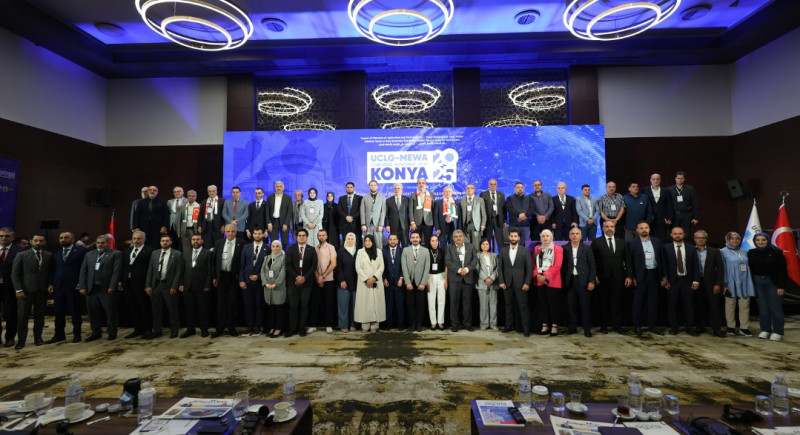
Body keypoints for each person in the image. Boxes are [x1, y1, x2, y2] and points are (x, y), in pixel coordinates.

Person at [11, 233, 53, 349]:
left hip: (42, 291)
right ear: (31, 241)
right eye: (36, 240)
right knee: (23, 317)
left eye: (41, 241)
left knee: (40, 316)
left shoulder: (48, 255)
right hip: (25, 291)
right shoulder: (21, 255)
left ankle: (38, 338)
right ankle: (21, 340)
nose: (38, 243)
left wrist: (50, 284)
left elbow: (50, 272)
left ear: (44, 242)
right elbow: (15, 274)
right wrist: (18, 290)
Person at [591, 221, 633, 335]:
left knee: (617, 302)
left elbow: (628, 260)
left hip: (619, 278)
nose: (609, 228)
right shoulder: (597, 241)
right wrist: (594, 275)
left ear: (614, 228)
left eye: (611, 226)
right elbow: (592, 260)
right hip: (602, 278)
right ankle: (604, 326)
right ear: (603, 228)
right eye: (607, 226)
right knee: (603, 303)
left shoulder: (622, 242)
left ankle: (617, 326)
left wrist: (629, 276)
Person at [78, 235, 122, 342]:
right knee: (93, 313)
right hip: (91, 289)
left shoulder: (116, 254)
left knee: (110, 312)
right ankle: (96, 332)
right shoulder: (89, 254)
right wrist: (83, 286)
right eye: (98, 243)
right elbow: (83, 271)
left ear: (108, 243)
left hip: (106, 289)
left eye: (103, 243)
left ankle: (112, 332)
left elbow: (116, 272)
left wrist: (112, 286)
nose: (100, 245)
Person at [46, 231, 86, 343]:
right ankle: (59, 335)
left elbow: (84, 268)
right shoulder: (55, 252)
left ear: (72, 239)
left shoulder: (81, 251)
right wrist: (50, 283)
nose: (63, 239)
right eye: (61, 238)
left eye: (66, 237)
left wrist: (81, 282)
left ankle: (77, 334)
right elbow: (51, 270)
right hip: (58, 286)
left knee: (75, 311)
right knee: (58, 312)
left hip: (74, 286)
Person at [660, 227, 700, 336]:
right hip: (672, 282)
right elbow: (663, 265)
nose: (678, 235)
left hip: (687, 281)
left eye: (680, 233)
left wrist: (696, 281)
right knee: (672, 305)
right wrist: (665, 279)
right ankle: (673, 327)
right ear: (671, 235)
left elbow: (696, 265)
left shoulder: (691, 248)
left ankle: (689, 327)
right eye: (675, 233)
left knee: (689, 305)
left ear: (684, 234)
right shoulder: (665, 248)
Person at [748, 232, 787, 341]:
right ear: (754, 241)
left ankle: (778, 331)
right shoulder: (751, 253)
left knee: (775, 308)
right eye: (758, 240)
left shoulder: (777, 253)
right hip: (757, 282)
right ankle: (765, 330)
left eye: (763, 240)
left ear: (768, 240)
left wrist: (781, 286)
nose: (760, 242)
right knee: (763, 308)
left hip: (773, 283)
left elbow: (782, 271)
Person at [628, 221, 664, 337]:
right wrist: (632, 276)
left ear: (649, 229)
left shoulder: (657, 241)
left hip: (654, 274)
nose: (644, 230)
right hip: (639, 276)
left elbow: (662, 259)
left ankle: (652, 326)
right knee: (638, 302)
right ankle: (637, 326)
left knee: (653, 302)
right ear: (637, 230)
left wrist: (663, 276)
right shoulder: (632, 243)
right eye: (641, 228)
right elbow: (629, 261)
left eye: (646, 228)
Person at [145, 234, 184, 339]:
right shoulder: (155, 253)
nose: (165, 242)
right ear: (160, 242)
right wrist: (148, 285)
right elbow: (150, 270)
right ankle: (157, 330)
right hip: (156, 285)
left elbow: (179, 272)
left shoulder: (177, 254)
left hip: (169, 285)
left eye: (167, 241)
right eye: (163, 241)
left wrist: (174, 286)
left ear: (171, 242)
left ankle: (174, 331)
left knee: (172, 309)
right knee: (156, 310)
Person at [118, 231, 153, 339]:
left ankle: (147, 330)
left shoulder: (150, 251)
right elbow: (123, 267)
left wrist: (149, 284)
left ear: (144, 239)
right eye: (134, 238)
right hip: (128, 284)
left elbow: (151, 269)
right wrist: (120, 281)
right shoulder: (127, 251)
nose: (136, 241)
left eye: (139, 238)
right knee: (133, 308)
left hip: (142, 284)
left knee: (144, 308)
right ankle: (137, 329)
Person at [498, 228, 532, 336]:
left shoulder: (525, 250)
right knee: (508, 305)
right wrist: (501, 281)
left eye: (515, 236)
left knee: (523, 306)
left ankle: (526, 328)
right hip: (507, 283)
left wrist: (527, 282)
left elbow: (529, 268)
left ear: (519, 238)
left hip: (521, 283)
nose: (513, 238)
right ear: (509, 237)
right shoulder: (503, 250)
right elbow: (500, 268)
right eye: (511, 236)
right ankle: (508, 325)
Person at [720, 232, 755, 337]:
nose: (734, 240)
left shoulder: (744, 251)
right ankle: (730, 327)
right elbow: (722, 268)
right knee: (730, 306)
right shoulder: (722, 251)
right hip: (730, 282)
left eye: (737, 238)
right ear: (727, 240)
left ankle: (744, 328)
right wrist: (724, 284)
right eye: (732, 238)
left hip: (745, 281)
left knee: (745, 305)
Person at [563, 228, 596, 337]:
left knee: (585, 306)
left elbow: (592, 266)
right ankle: (572, 327)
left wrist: (592, 281)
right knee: (571, 306)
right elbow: (563, 267)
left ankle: (587, 329)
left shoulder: (586, 248)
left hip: (583, 281)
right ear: (569, 236)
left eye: (577, 234)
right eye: (572, 234)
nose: (575, 235)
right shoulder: (564, 248)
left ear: (581, 236)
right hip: (570, 281)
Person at [285, 229, 318, 337]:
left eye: (303, 235)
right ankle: (292, 328)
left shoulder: (311, 249)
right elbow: (288, 265)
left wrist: (304, 278)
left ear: (307, 237)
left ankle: (301, 328)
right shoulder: (291, 248)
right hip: (293, 282)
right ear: (296, 237)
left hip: (306, 282)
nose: (301, 237)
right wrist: (297, 277)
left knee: (304, 305)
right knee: (293, 305)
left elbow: (314, 266)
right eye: (299, 235)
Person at [212, 224, 244, 338]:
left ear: (236, 232)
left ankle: (231, 327)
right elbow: (214, 261)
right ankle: (219, 328)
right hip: (221, 277)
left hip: (233, 277)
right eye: (228, 231)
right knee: (220, 303)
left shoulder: (242, 243)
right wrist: (214, 277)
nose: (230, 233)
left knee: (232, 304)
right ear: (225, 232)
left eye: (232, 231)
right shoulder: (219, 243)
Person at [693, 230, 726, 338]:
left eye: (703, 238)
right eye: (698, 238)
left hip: (711, 283)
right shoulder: (690, 250)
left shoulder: (714, 251)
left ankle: (716, 329)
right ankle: (700, 327)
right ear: (695, 239)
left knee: (714, 306)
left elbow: (720, 269)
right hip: (696, 282)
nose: (700, 240)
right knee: (699, 306)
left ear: (706, 239)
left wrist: (718, 284)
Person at [180, 234, 213, 338]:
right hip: (188, 285)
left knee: (203, 309)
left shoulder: (207, 253)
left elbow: (210, 270)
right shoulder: (186, 253)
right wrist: (181, 283)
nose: (195, 241)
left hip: (202, 286)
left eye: (198, 239)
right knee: (189, 310)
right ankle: (190, 329)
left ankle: (204, 329)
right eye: (193, 239)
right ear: (191, 241)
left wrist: (207, 284)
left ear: (202, 241)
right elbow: (182, 270)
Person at [533, 229, 563, 336]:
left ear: (551, 237)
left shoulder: (558, 249)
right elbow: (534, 264)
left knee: (553, 304)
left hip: (553, 281)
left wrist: (545, 276)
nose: (545, 238)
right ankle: (544, 325)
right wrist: (538, 275)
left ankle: (554, 326)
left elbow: (557, 266)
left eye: (547, 236)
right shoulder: (537, 248)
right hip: (539, 280)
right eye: (543, 236)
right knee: (542, 304)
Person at [445, 230, 477, 332]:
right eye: (456, 236)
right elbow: (448, 261)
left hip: (468, 278)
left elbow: (474, 260)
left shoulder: (471, 247)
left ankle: (467, 324)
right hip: (454, 279)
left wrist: (466, 269)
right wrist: (459, 270)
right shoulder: (449, 247)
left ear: (463, 237)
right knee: (454, 303)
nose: (458, 238)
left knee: (467, 303)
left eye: (460, 236)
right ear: (453, 238)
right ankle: (454, 324)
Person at [354, 234, 386, 332]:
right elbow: (358, 267)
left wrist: (374, 278)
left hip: (376, 281)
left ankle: (375, 326)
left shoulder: (379, 252)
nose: (367, 243)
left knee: (376, 303)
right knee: (365, 304)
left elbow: (381, 266)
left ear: (373, 242)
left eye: (369, 241)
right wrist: (367, 280)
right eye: (366, 241)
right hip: (364, 283)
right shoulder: (360, 252)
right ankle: (365, 325)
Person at [239, 227, 267, 336]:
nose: (257, 235)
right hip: (247, 281)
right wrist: (241, 280)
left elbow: (268, 268)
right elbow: (242, 265)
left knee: (259, 305)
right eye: (255, 233)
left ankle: (257, 327)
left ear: (263, 234)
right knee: (248, 305)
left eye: (259, 233)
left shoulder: (267, 248)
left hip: (260, 282)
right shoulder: (246, 247)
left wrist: (259, 276)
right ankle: (249, 327)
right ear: (252, 234)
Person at [401, 231, 429, 332]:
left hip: (420, 282)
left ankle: (419, 324)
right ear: (410, 239)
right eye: (413, 237)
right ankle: (413, 324)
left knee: (420, 305)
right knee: (410, 305)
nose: (415, 239)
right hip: (410, 282)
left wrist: (423, 282)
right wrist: (407, 282)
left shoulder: (425, 251)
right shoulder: (405, 250)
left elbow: (427, 268)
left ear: (420, 239)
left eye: (417, 237)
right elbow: (404, 267)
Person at [0, 227, 23, 347]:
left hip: (10, 287)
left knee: (11, 314)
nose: (4, 238)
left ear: (13, 237)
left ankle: (10, 337)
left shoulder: (20, 251)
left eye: (7, 236)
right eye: (1, 236)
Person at [261, 240, 287, 338]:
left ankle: (278, 328)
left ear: (280, 248)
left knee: (279, 309)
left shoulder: (283, 258)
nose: (275, 248)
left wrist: (276, 284)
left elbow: (283, 271)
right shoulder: (266, 258)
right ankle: (272, 327)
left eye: (277, 246)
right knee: (271, 310)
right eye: (273, 246)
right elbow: (262, 271)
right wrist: (265, 283)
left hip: (278, 288)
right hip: (268, 288)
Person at [313, 229, 337, 334]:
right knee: (315, 303)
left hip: (328, 280)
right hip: (317, 280)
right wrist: (318, 277)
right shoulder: (314, 248)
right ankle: (313, 325)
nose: (321, 237)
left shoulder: (331, 247)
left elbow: (333, 263)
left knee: (328, 303)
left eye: (323, 235)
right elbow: (313, 265)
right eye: (319, 235)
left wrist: (323, 276)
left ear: (326, 236)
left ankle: (328, 325)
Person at [666, 171, 700, 238]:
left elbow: (695, 203)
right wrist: (667, 217)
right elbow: (666, 204)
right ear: (675, 179)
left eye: (681, 178)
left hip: (686, 215)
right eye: (678, 178)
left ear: (685, 179)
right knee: (674, 234)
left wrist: (696, 217)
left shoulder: (690, 189)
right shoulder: (669, 189)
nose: (680, 180)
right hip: (674, 216)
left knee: (686, 235)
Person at [336, 233, 359, 333]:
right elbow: (339, 267)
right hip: (343, 282)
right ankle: (343, 325)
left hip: (355, 283)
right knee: (343, 305)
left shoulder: (358, 251)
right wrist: (342, 280)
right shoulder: (341, 251)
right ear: (345, 240)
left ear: (355, 240)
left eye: (352, 239)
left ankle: (353, 325)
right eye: (348, 238)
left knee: (354, 306)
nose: (350, 240)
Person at [382, 233, 404, 330]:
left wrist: (401, 278)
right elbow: (381, 267)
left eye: (394, 239)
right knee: (389, 305)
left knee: (400, 306)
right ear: (388, 241)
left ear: (398, 241)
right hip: (388, 283)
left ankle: (401, 325)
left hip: (399, 282)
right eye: (390, 239)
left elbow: (404, 266)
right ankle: (388, 325)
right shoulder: (383, 251)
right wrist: (384, 278)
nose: (392, 241)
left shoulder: (402, 251)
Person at [641, 174, 673, 242]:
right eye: (654, 179)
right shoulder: (644, 190)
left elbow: (669, 205)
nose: (655, 181)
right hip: (648, 218)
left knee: (662, 237)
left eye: (657, 179)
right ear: (650, 180)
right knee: (649, 237)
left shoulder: (666, 191)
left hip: (662, 218)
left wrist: (669, 218)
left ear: (660, 180)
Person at [475, 238, 499, 331]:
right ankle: (484, 324)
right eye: (483, 244)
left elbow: (497, 268)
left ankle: (493, 324)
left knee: (493, 305)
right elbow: (477, 269)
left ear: (489, 245)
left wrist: (492, 278)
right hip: (482, 283)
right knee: (483, 305)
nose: (485, 246)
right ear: (480, 246)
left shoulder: (494, 255)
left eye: (487, 244)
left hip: (493, 283)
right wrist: (485, 278)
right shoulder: (477, 256)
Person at [426, 234, 447, 330]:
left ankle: (440, 322)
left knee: (441, 300)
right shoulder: (426, 252)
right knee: (431, 300)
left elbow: (446, 266)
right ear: (430, 242)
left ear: (438, 242)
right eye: (432, 241)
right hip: (430, 276)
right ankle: (433, 322)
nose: (434, 243)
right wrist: (426, 280)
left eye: (436, 241)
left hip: (441, 276)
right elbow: (425, 266)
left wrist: (446, 280)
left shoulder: (442, 251)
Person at [480, 179, 507, 252]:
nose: (493, 186)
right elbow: (481, 209)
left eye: (494, 184)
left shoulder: (501, 195)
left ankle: (501, 256)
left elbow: (504, 208)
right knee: (486, 240)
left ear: (497, 185)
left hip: (498, 220)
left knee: (500, 240)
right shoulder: (483, 194)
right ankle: (486, 256)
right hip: (488, 220)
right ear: (488, 185)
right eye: (491, 184)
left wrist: (505, 221)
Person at [266, 181, 293, 248]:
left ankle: (284, 254)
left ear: (283, 188)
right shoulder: (270, 197)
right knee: (274, 242)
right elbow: (267, 211)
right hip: (273, 222)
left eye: (280, 186)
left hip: (284, 222)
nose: (279, 188)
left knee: (285, 242)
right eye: (277, 186)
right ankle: (274, 254)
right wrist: (269, 223)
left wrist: (286, 223)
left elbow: (289, 212)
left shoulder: (288, 198)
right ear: (274, 188)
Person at [361, 180, 387, 248]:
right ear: (369, 187)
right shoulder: (365, 197)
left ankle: (379, 255)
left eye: (374, 185)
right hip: (367, 225)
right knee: (367, 244)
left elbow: (383, 212)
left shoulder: (382, 197)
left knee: (378, 244)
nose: (373, 186)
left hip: (377, 225)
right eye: (371, 185)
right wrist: (363, 224)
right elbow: (362, 211)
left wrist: (381, 224)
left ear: (377, 186)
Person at [199, 185, 225, 249]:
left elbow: (224, 214)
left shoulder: (222, 201)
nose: (211, 192)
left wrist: (224, 225)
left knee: (218, 245)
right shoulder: (204, 202)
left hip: (218, 227)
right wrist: (199, 226)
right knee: (207, 245)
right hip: (206, 226)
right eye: (210, 191)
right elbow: (200, 215)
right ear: (208, 192)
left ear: (216, 192)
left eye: (213, 191)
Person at [410, 178, 434, 247]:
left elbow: (433, 208)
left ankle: (427, 254)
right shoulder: (413, 195)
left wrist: (434, 223)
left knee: (428, 242)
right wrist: (412, 222)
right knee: (417, 242)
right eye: (419, 183)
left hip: (428, 222)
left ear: (425, 185)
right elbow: (411, 210)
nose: (421, 185)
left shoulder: (431, 195)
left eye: (423, 183)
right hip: (417, 222)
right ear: (417, 185)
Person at [338, 182, 363, 248]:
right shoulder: (341, 198)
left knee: (357, 243)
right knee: (345, 243)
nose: (349, 189)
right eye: (348, 187)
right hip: (344, 224)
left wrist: (352, 217)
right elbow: (339, 210)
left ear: (354, 188)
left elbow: (360, 210)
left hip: (356, 224)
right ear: (346, 188)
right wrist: (346, 217)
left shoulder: (359, 198)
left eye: (351, 187)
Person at [167, 186, 188, 250]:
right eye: (175, 192)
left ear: (183, 192)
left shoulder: (187, 201)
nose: (177, 193)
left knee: (181, 246)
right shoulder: (169, 202)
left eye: (178, 191)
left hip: (182, 227)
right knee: (172, 245)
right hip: (171, 226)